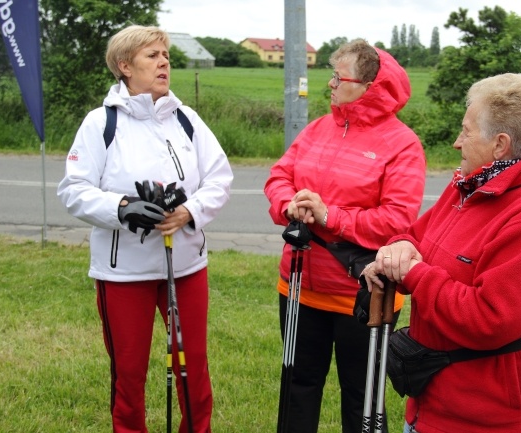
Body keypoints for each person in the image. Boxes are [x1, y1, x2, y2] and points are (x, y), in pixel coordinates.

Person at [362, 73, 521, 433]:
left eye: (466, 130)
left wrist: (414, 273)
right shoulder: (469, 185)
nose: (456, 142)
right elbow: (418, 235)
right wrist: (397, 249)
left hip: (487, 417)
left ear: (500, 145)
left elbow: (489, 319)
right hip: (433, 402)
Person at [57, 25, 233, 433]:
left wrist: (189, 210)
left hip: (185, 266)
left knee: (193, 367)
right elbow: (74, 189)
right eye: (152, 55)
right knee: (129, 375)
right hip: (124, 273)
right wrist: (123, 208)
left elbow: (219, 178)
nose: (164, 62)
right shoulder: (102, 123)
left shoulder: (186, 118)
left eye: (166, 55)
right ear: (124, 66)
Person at [264, 39, 427, 433]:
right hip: (301, 285)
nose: (331, 84)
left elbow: (397, 220)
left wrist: (328, 215)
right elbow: (279, 176)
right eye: (332, 75)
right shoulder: (320, 128)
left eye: (340, 77)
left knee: (362, 398)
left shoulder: (403, 144)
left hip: (364, 293)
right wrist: (290, 204)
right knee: (297, 387)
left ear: (370, 85)